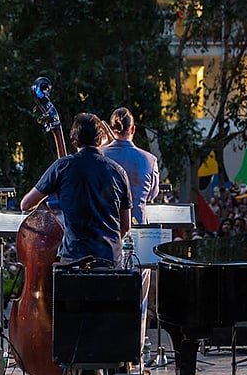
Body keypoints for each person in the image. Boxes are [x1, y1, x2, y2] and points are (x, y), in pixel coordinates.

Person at [21, 112, 132, 265]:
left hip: (74, 259)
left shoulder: (62, 167)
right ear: (99, 139)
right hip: (109, 260)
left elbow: (26, 204)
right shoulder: (118, 171)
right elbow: (125, 226)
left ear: (74, 140)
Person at [101, 107, 159, 361]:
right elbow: (153, 194)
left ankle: (109, 351)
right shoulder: (149, 159)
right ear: (132, 129)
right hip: (139, 232)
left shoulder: (100, 155)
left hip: (108, 230)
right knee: (140, 297)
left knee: (107, 293)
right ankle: (135, 354)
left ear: (113, 129)